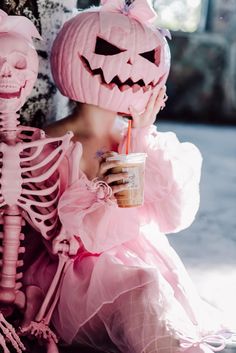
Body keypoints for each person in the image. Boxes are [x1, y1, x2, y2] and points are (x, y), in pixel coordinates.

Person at [24, 0, 229, 352]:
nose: (133, 65)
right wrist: (100, 192)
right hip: (76, 275)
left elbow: (173, 214)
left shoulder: (135, 140)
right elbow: (61, 236)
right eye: (110, 50)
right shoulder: (51, 144)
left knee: (153, 292)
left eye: (148, 57)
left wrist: (144, 134)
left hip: (139, 259)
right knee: (142, 287)